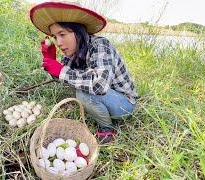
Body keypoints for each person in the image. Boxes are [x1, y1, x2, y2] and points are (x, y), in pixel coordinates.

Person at [30, 1, 138, 144]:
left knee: (84, 93)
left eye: (62, 34)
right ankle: (101, 112)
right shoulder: (72, 52)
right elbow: (64, 78)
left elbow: (100, 85)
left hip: (124, 104)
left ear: (78, 32)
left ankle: (106, 129)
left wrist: (62, 70)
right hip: (107, 98)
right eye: (55, 37)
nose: (59, 42)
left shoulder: (100, 45)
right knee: (79, 88)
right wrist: (51, 62)